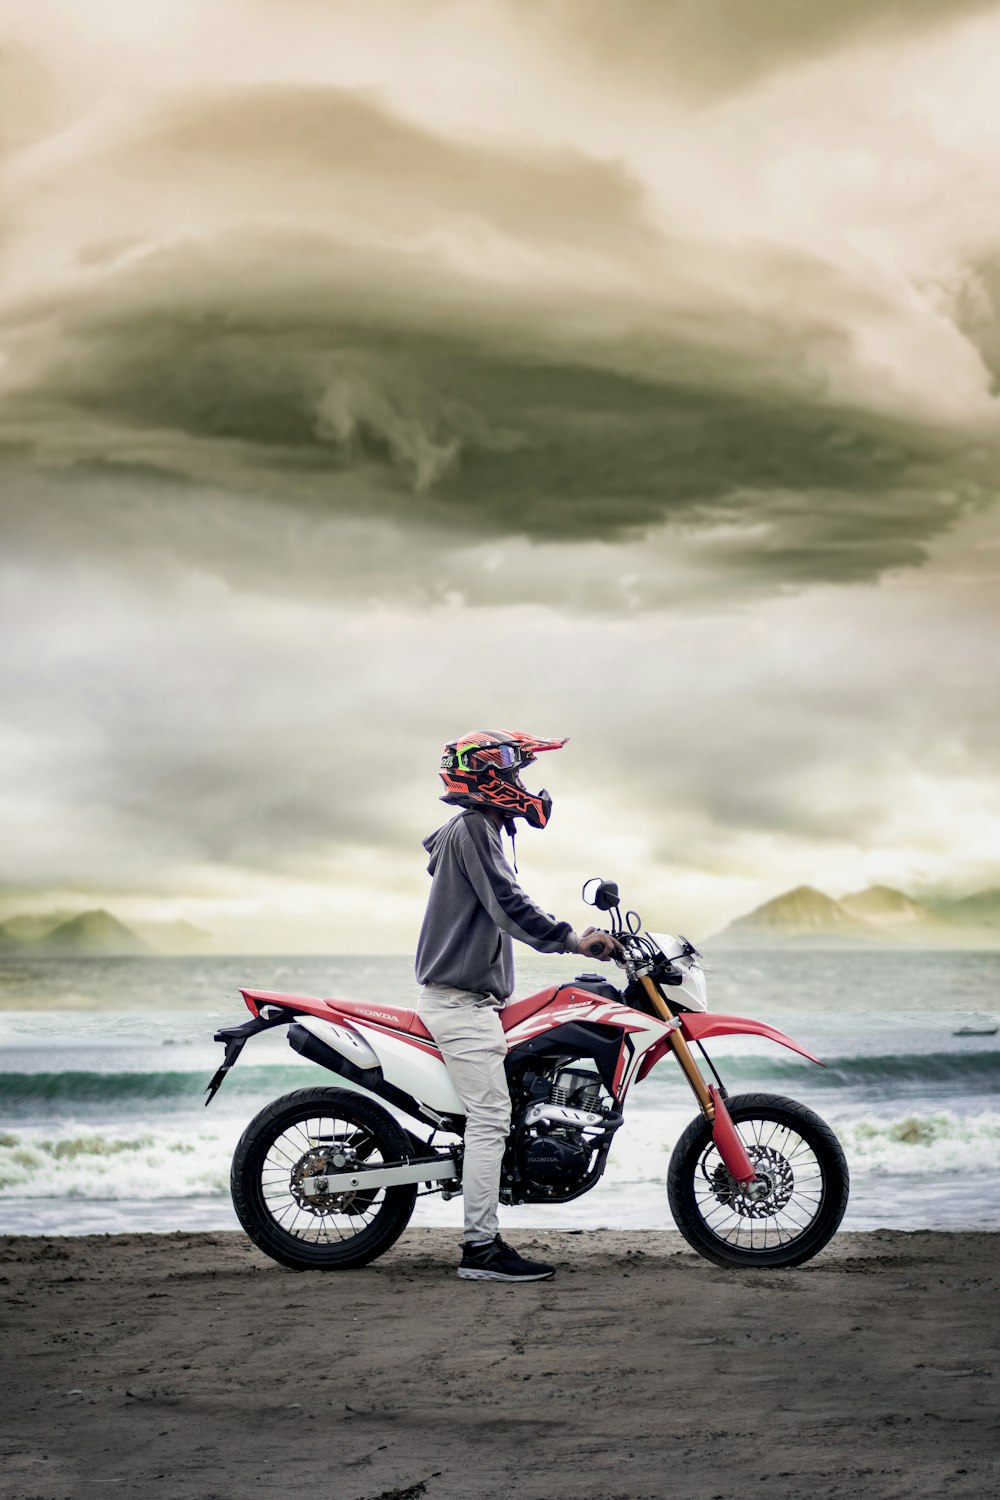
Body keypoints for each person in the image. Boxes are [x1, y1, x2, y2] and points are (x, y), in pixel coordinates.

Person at [415, 729, 619, 1282]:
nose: (519, 781)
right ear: (485, 774)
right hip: (460, 1005)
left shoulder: (474, 831)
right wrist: (574, 939)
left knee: (507, 1097)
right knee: (490, 1116)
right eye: (510, 770)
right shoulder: (476, 828)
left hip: (472, 1002)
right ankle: (480, 1249)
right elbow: (509, 905)